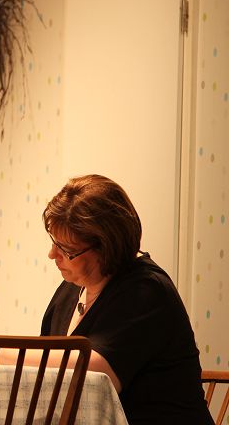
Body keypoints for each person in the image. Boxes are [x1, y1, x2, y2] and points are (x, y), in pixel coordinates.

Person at [41, 174, 212, 424]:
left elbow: (92, 375)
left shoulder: (146, 291)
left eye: (66, 249)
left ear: (106, 247)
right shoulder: (69, 291)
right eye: (54, 243)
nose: (52, 254)